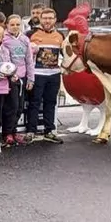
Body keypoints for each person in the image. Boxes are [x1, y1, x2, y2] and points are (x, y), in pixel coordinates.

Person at [26, 8, 64, 144]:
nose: (47, 21)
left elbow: (66, 55)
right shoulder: (31, 33)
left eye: (50, 18)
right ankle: (31, 130)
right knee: (34, 103)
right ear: (40, 19)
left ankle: (49, 130)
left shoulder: (60, 35)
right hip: (37, 74)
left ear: (55, 20)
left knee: (50, 103)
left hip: (54, 74)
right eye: (45, 18)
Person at [3, 14, 34, 143]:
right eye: (12, 24)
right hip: (11, 78)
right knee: (12, 106)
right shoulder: (4, 39)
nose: (15, 27)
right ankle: (7, 132)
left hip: (23, 77)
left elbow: (29, 60)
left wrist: (31, 78)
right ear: (7, 25)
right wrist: (11, 74)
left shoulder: (25, 39)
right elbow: (4, 59)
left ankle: (15, 131)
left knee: (20, 107)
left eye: (18, 24)